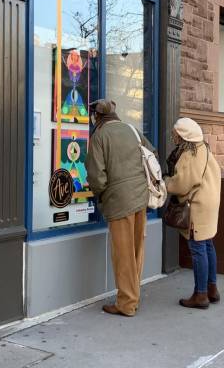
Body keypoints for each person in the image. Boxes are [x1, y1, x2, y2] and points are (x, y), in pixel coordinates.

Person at [85, 99, 156, 317]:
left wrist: (101, 194)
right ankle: (133, 297)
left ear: (96, 116)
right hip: (140, 197)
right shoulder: (132, 130)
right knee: (136, 250)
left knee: (122, 254)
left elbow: (96, 177)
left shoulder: (99, 137)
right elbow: (152, 153)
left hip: (119, 201)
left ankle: (126, 303)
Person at [165, 118, 221, 309]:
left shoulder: (190, 153)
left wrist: (165, 183)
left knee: (197, 248)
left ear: (183, 135)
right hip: (210, 203)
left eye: (175, 133)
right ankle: (212, 289)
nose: (173, 136)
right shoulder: (204, 149)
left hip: (197, 205)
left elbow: (182, 183)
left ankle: (201, 295)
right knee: (207, 245)